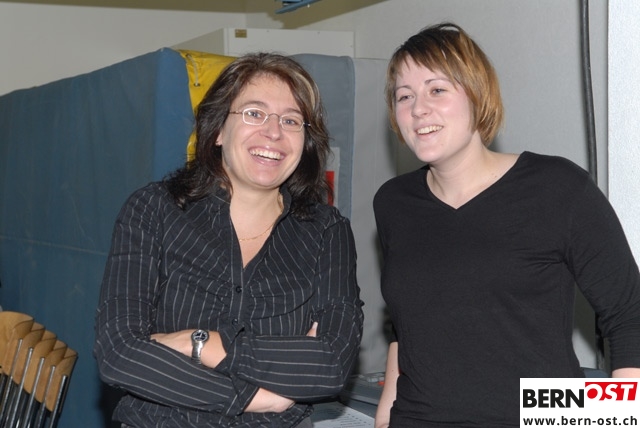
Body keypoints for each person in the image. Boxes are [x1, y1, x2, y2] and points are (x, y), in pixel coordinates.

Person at [373, 23, 640, 428]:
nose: (418, 108)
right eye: (404, 96)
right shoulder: (393, 202)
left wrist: (616, 419)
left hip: (537, 418)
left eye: (437, 90)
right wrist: (384, 418)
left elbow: (629, 314)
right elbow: (404, 328)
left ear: (477, 94)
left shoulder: (557, 187)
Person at [94, 52, 364, 427]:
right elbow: (119, 353)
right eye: (254, 113)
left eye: (291, 120)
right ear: (218, 130)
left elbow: (330, 365)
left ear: (305, 142)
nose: (274, 132)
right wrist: (251, 397)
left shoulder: (326, 231)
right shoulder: (153, 210)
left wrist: (198, 342)